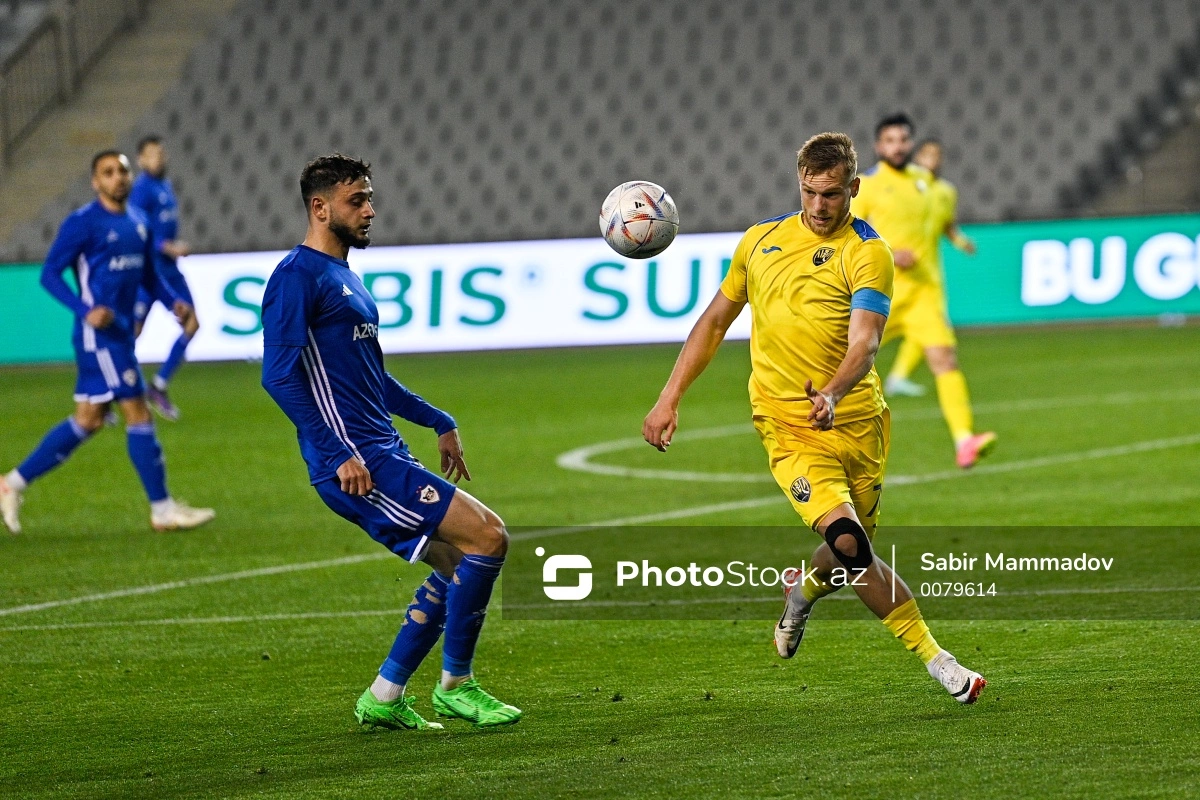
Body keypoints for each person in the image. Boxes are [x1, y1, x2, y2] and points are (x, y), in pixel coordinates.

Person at [642, 133, 986, 704]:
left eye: (830, 194)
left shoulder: (867, 252)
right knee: (851, 543)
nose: (819, 206)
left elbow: (867, 343)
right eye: (809, 192)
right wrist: (668, 396)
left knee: (851, 554)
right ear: (798, 183)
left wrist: (831, 391)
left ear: (853, 188)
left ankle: (801, 592)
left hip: (857, 422)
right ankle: (939, 662)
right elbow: (713, 321)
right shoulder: (760, 242)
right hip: (786, 424)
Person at [260, 154, 521, 731]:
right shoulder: (296, 278)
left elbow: (371, 379)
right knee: (489, 537)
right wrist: (339, 454)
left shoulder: (345, 279)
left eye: (370, 198)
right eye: (357, 201)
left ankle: (384, 695)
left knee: (459, 565)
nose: (370, 210)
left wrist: (438, 418)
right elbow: (278, 376)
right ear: (320, 207)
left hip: (382, 450)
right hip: (358, 463)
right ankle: (457, 686)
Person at [0, 151, 215, 534]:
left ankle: (10, 484)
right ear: (95, 182)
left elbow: (149, 275)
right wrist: (85, 309)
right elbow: (49, 274)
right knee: (138, 412)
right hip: (97, 337)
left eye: (123, 171)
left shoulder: (139, 220)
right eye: (108, 172)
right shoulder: (83, 223)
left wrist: (173, 304)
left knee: (90, 419)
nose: (118, 178)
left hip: (118, 336)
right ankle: (163, 511)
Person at [853, 114, 996, 469]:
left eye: (903, 140)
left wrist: (959, 240)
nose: (897, 146)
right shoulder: (867, 185)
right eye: (889, 140)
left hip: (924, 294)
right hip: (880, 294)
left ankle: (964, 439)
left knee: (945, 359)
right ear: (878, 146)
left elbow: (944, 222)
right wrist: (887, 249)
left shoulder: (927, 185)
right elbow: (848, 234)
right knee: (845, 362)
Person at [884, 137, 978, 398]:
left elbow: (947, 225)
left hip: (930, 277)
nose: (932, 160)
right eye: (926, 155)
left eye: (936, 155)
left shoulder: (946, 192)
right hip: (901, 277)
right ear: (917, 158)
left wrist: (961, 242)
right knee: (866, 335)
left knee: (930, 330)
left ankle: (898, 377)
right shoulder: (904, 189)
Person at [130, 135, 196, 421]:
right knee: (132, 332)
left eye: (161, 153)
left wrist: (171, 247)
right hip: (150, 268)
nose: (159, 158)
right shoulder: (141, 189)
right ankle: (110, 392)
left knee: (192, 323)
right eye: (152, 155)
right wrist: (169, 247)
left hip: (169, 268)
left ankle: (158, 385)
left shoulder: (165, 185)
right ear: (141, 160)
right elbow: (139, 229)